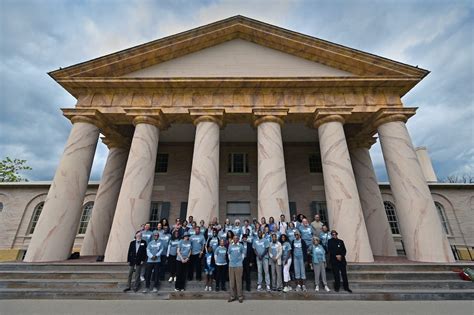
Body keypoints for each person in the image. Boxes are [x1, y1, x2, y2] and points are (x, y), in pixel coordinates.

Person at [227, 235, 244, 303]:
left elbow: (243, 254)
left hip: (239, 266)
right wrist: (231, 260)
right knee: (232, 282)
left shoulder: (241, 245)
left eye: (237, 238)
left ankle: (240, 296)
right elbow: (229, 254)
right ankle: (232, 296)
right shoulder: (230, 246)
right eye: (234, 238)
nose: (235, 239)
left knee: (239, 281)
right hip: (231, 265)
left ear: (238, 239)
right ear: (233, 239)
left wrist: (240, 261)